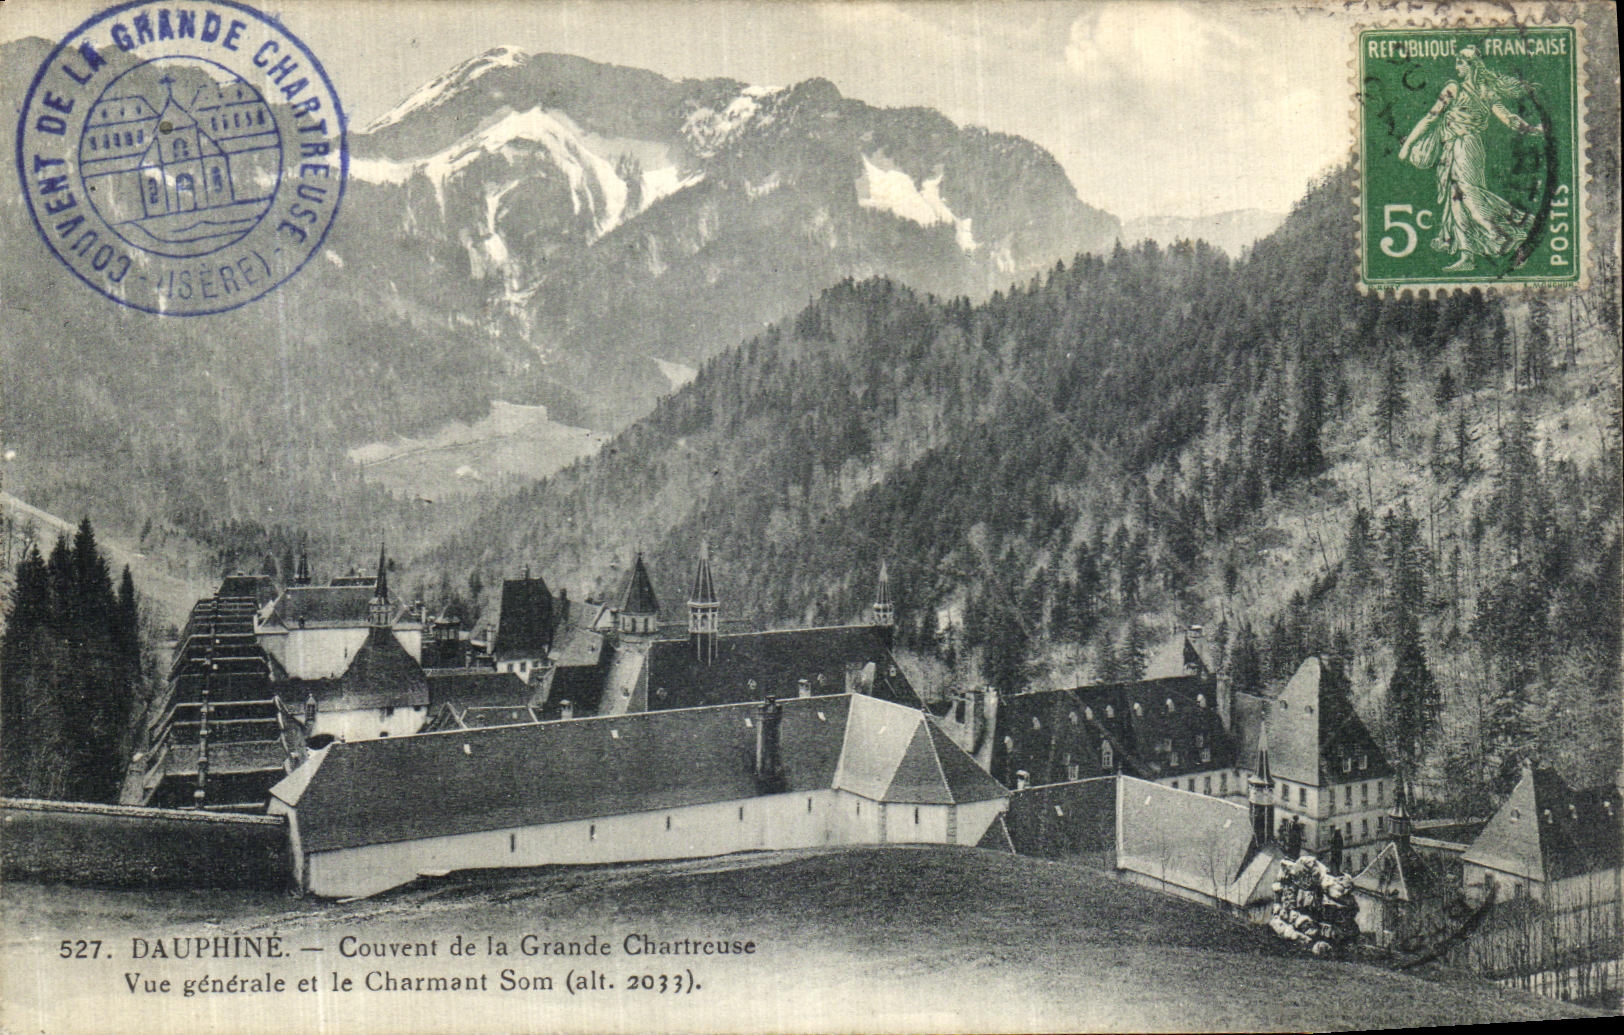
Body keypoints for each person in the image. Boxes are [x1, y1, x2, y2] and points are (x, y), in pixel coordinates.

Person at [1398, 46, 1545, 272]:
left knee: (1468, 195)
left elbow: (1431, 117)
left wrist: (1408, 146)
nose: (1457, 67)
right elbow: (1509, 119)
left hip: (1464, 146)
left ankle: (1505, 233)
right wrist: (1531, 129)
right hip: (1457, 147)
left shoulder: (1457, 89)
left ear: (1472, 65)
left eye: (1461, 63)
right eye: (1457, 63)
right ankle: (1468, 255)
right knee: (1457, 200)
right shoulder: (1483, 91)